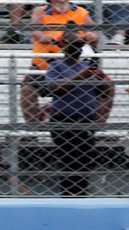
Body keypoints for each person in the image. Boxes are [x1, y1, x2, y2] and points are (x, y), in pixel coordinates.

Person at [44, 36, 113, 196]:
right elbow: (54, 88)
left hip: (86, 120)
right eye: (73, 44)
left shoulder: (87, 66)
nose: (77, 48)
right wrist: (81, 76)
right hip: (64, 119)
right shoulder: (56, 65)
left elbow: (104, 92)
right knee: (68, 159)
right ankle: (68, 195)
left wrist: (101, 79)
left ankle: (81, 194)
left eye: (80, 45)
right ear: (63, 45)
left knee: (85, 159)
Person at [24, 0, 97, 122]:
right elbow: (35, 30)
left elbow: (95, 34)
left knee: (104, 88)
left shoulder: (81, 13)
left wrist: (89, 36)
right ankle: (33, 130)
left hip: (76, 65)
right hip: (44, 65)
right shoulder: (41, 12)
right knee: (27, 91)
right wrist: (44, 37)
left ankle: (95, 128)